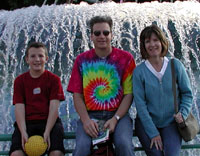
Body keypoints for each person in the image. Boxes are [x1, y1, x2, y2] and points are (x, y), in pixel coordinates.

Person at [67, 15, 136, 156]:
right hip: (90, 114)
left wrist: (116, 118)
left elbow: (129, 94)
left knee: (124, 145)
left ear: (112, 35)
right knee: (81, 148)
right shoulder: (81, 60)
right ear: (91, 36)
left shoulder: (126, 59)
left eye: (106, 32)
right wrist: (85, 120)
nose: (102, 36)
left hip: (119, 115)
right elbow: (77, 95)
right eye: (97, 33)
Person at [133, 24, 193, 156]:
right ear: (143, 45)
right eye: (147, 41)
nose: (152, 44)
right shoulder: (139, 72)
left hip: (171, 122)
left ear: (162, 42)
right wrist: (153, 133)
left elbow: (187, 94)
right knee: (156, 154)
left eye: (155, 40)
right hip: (146, 123)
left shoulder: (175, 65)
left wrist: (182, 113)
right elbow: (140, 105)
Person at [9, 42, 65, 156]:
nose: (37, 59)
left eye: (40, 56)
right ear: (27, 59)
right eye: (33, 56)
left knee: (56, 153)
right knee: (16, 154)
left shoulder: (54, 80)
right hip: (27, 123)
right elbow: (19, 108)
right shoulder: (20, 81)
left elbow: (54, 108)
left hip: (50, 123)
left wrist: (47, 131)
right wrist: (23, 132)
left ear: (46, 59)